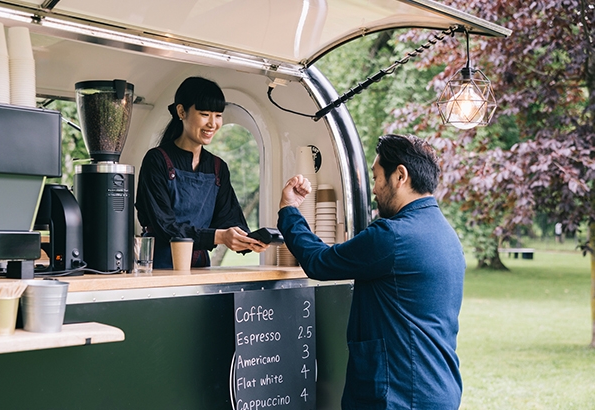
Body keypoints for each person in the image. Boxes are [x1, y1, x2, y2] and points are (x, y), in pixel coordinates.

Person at [277, 134, 465, 409]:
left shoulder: (392, 235)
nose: (374, 189)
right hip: (438, 389)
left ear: (400, 175)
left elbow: (319, 261)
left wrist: (290, 209)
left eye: (376, 177)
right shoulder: (447, 235)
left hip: (398, 396)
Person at [135, 76, 268, 269]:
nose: (212, 123)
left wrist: (248, 241)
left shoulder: (218, 167)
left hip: (200, 268)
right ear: (181, 111)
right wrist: (220, 236)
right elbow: (166, 227)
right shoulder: (156, 160)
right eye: (204, 114)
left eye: (218, 115)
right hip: (158, 267)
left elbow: (229, 220)